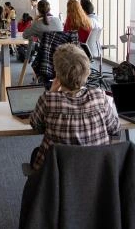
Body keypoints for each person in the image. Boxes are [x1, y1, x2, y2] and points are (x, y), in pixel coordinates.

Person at [29, 43, 120, 171]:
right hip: (96, 173)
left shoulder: (48, 99)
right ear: (87, 72)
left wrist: (53, 91)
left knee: (36, 154)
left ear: (57, 74)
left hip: (56, 176)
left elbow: (35, 126)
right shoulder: (99, 96)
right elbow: (115, 128)